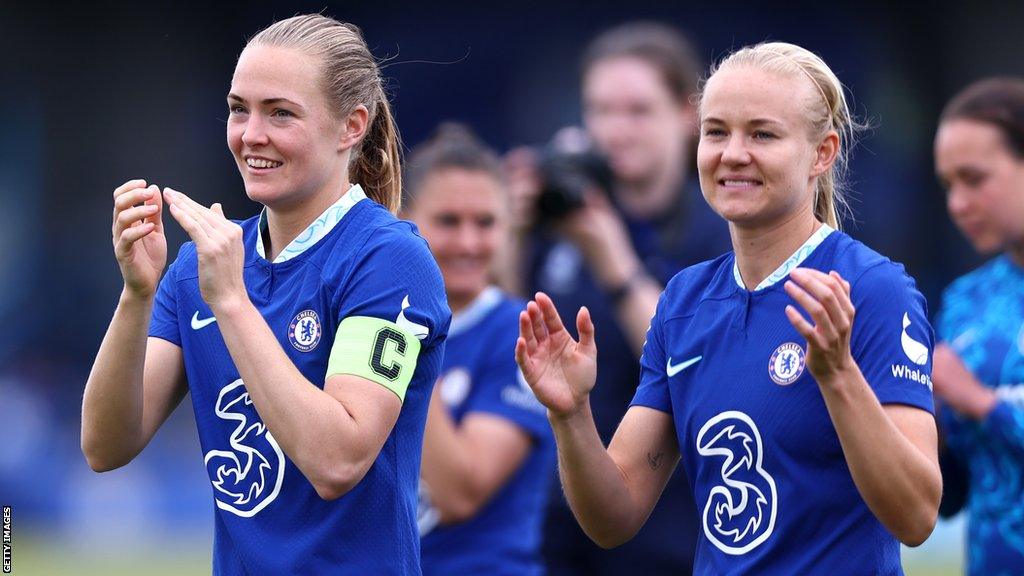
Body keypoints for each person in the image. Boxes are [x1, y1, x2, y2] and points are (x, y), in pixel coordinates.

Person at [516, 41, 942, 575]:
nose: (732, 153)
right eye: (716, 131)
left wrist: (838, 376)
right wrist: (570, 414)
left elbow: (917, 516)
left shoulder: (873, 290)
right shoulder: (684, 301)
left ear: (823, 152)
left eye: (762, 134)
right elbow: (613, 516)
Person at [80, 14, 449, 575]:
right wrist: (136, 294)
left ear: (351, 126)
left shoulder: (387, 259)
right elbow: (105, 446)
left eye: (280, 112)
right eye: (238, 108)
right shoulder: (199, 268)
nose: (251, 134)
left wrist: (231, 300)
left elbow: (337, 460)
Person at [505, 22, 730, 575]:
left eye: (637, 111)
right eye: (600, 111)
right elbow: (512, 333)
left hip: (669, 519)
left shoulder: (717, 229)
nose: (615, 130)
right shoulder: (565, 213)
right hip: (555, 518)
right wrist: (510, 229)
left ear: (686, 115)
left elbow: (698, 363)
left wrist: (615, 263)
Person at [402, 124, 556, 575]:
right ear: (401, 219)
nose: (468, 243)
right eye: (449, 221)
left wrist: (405, 344)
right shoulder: (360, 322)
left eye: (486, 223)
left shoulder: (521, 333)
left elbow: (459, 494)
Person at [932, 77, 1024, 575]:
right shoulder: (963, 301)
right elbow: (952, 492)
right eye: (948, 185)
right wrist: (930, 427)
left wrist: (981, 404)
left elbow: (974, 400)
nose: (957, 204)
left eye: (974, 178)